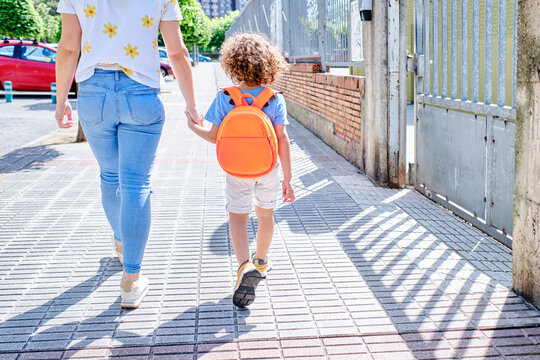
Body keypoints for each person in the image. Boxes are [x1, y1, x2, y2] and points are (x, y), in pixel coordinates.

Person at [54, 0, 204, 309]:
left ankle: (122, 242)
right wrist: (191, 103)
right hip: (141, 91)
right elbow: (177, 52)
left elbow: (68, 48)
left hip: (93, 93)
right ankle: (131, 281)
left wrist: (61, 102)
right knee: (135, 182)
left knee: (110, 175)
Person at [186, 33, 295, 307]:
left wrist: (192, 126)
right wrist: (289, 178)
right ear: (270, 64)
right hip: (267, 168)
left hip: (235, 169)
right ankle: (261, 260)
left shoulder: (226, 97)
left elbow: (214, 137)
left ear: (233, 65)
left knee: (238, 218)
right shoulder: (274, 98)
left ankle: (244, 265)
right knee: (265, 214)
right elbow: (282, 139)